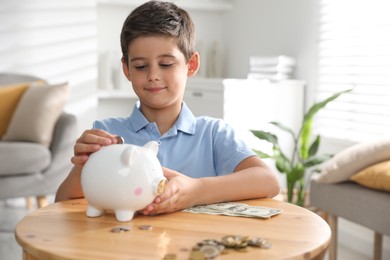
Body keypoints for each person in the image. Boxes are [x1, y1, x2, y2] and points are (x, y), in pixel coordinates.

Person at [55, 0, 280, 215]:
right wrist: (85, 165)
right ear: (127, 70)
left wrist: (196, 191)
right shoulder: (107, 133)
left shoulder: (213, 134)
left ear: (191, 64)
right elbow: (63, 203)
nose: (153, 76)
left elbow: (268, 181)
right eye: (141, 66)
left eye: (166, 64)